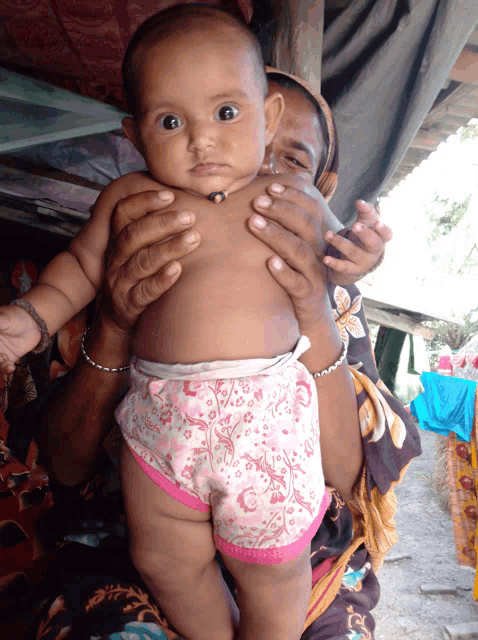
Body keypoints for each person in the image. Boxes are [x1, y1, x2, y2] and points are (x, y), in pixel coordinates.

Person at [0, 6, 394, 640]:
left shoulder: (293, 203)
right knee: (163, 559)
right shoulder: (130, 199)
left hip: (265, 428)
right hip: (159, 423)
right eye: (171, 121)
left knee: (275, 573)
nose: (201, 140)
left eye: (226, 114)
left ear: (263, 119)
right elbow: (78, 268)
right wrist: (27, 319)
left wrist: (360, 254)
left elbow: (338, 263)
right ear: (134, 135)